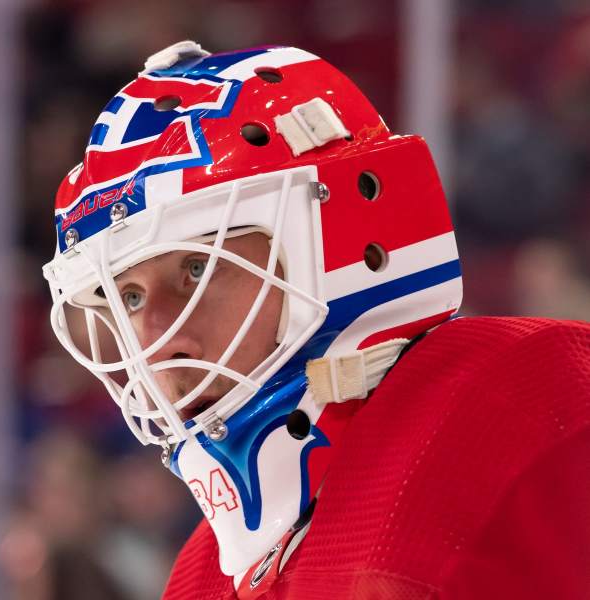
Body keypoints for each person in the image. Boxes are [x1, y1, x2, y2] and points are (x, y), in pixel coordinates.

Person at [40, 41, 590, 599]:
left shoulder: (524, 402)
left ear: (335, 247)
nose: (154, 342)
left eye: (198, 269)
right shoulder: (203, 572)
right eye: (129, 298)